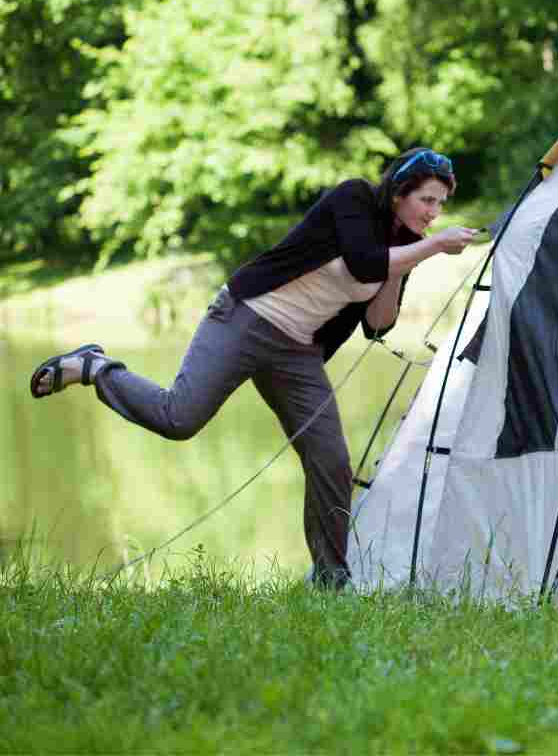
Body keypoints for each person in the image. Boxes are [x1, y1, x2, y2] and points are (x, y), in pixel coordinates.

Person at [30, 147, 480, 588]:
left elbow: (378, 324)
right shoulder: (354, 199)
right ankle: (96, 368)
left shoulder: (407, 246)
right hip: (247, 317)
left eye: (440, 204)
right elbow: (363, 262)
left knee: (331, 460)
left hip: (298, 351)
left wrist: (407, 261)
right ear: (400, 192)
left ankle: (331, 579)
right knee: (179, 418)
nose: (433, 213)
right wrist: (433, 247)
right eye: (427, 200)